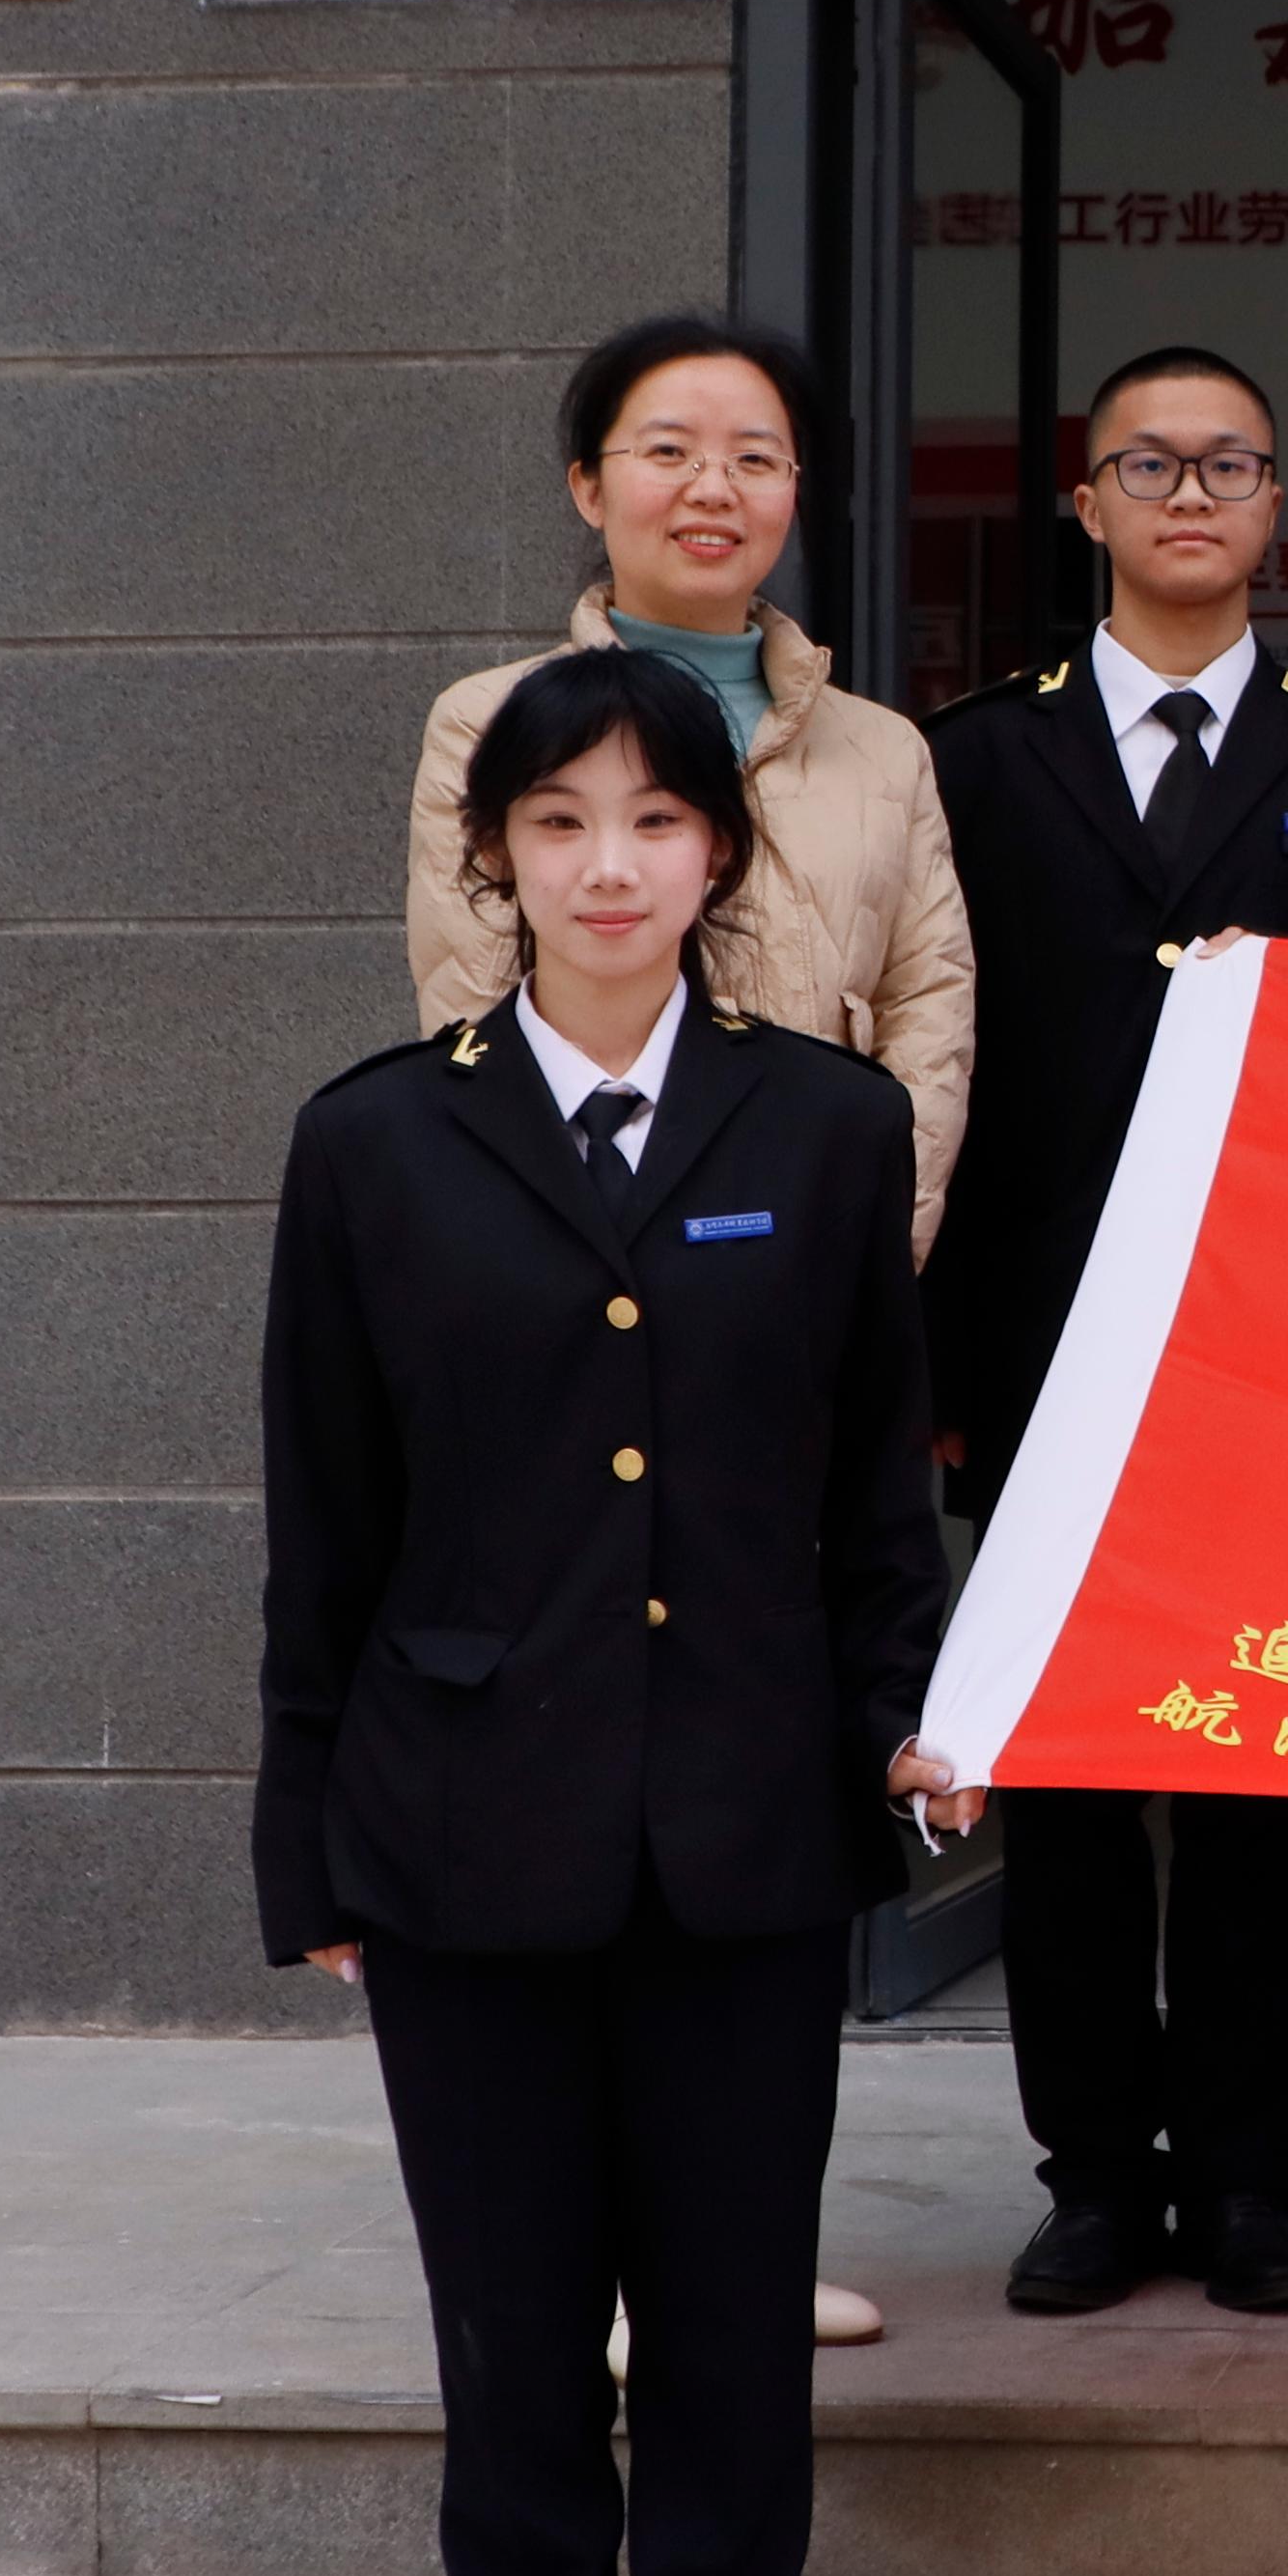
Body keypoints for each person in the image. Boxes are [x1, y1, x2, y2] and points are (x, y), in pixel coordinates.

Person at [259, 644, 962, 2576]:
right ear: (496, 860)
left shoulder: (830, 1127)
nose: (607, 864)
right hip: (463, 1848)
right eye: (558, 822)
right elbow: (325, 1525)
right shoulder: (378, 1142)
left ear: (719, 856)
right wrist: (308, 1849)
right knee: (520, 2372)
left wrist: (903, 1726)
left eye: (655, 819)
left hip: (746, 1838)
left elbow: (876, 1501)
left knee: (734, 2368)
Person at [405, 310, 965, 2355]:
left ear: (800, 493)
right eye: (667, 448)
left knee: (768, 1757)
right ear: (590, 484)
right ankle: (590, 2253)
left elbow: (932, 1012)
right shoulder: (491, 722)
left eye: (756, 453)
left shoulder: (884, 751)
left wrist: (835, 1256)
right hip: (572, 1305)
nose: (712, 487)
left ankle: (737, 2243)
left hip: (795, 1310)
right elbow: (470, 989)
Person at [920, 344, 1288, 2319]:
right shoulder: (974, 761)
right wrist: (937, 1370)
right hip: (1045, 1350)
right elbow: (939, 1075)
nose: (1188, 495)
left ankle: (1245, 2180)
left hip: (1280, 1361)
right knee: (1067, 1789)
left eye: (1227, 464)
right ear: (1086, 504)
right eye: (1148, 466)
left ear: (1274, 503)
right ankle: (1093, 2178)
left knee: (1255, 1794)